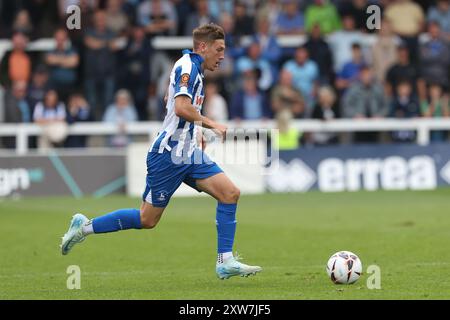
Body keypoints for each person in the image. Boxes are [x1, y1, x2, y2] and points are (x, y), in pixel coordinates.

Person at [60, 23, 262, 280]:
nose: (223, 55)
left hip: (188, 152)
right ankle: (84, 227)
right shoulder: (188, 67)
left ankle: (225, 261)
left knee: (230, 193)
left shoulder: (194, 70)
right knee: (147, 219)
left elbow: (172, 101)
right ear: (203, 46)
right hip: (168, 154)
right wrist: (212, 124)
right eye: (219, 49)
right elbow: (179, 107)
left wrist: (195, 132)